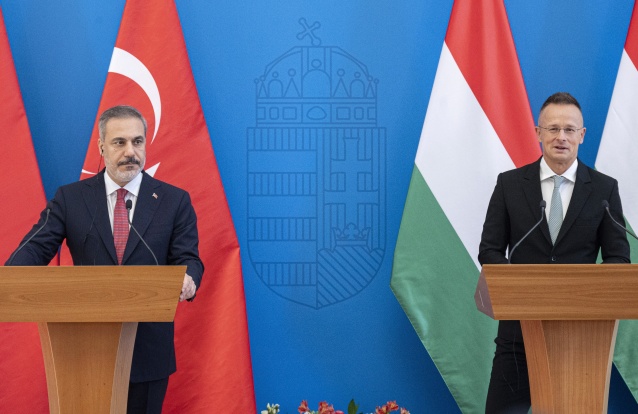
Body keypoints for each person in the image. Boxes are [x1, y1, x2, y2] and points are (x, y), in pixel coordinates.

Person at [5, 105, 203, 414]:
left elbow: (189, 258)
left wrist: (189, 278)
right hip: (83, 351)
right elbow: (35, 248)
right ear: (101, 147)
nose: (130, 152)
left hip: (147, 351)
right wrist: (10, 279)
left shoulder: (173, 200)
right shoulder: (70, 199)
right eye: (119, 142)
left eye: (137, 141)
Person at [478, 92, 630, 413]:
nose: (561, 137)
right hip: (519, 335)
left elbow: (618, 258)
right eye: (553, 128)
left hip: (580, 339)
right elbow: (490, 250)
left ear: (582, 135)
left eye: (569, 129)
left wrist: (586, 293)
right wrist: (521, 290)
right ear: (538, 132)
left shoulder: (604, 189)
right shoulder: (509, 185)